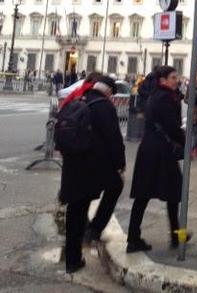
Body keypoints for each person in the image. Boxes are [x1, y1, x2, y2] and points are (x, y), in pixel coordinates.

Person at [58, 74, 126, 273]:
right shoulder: (104, 106)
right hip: (93, 166)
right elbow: (114, 139)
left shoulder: (78, 99)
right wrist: (120, 163)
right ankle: (95, 228)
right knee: (116, 185)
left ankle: (72, 259)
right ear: (108, 91)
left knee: (75, 209)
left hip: (72, 164)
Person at [127, 66, 188, 253]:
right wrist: (185, 141)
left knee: (144, 196)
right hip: (161, 151)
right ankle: (175, 235)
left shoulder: (155, 96)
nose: (176, 80)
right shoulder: (166, 98)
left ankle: (134, 238)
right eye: (173, 77)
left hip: (149, 149)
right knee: (173, 194)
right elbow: (172, 126)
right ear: (162, 80)